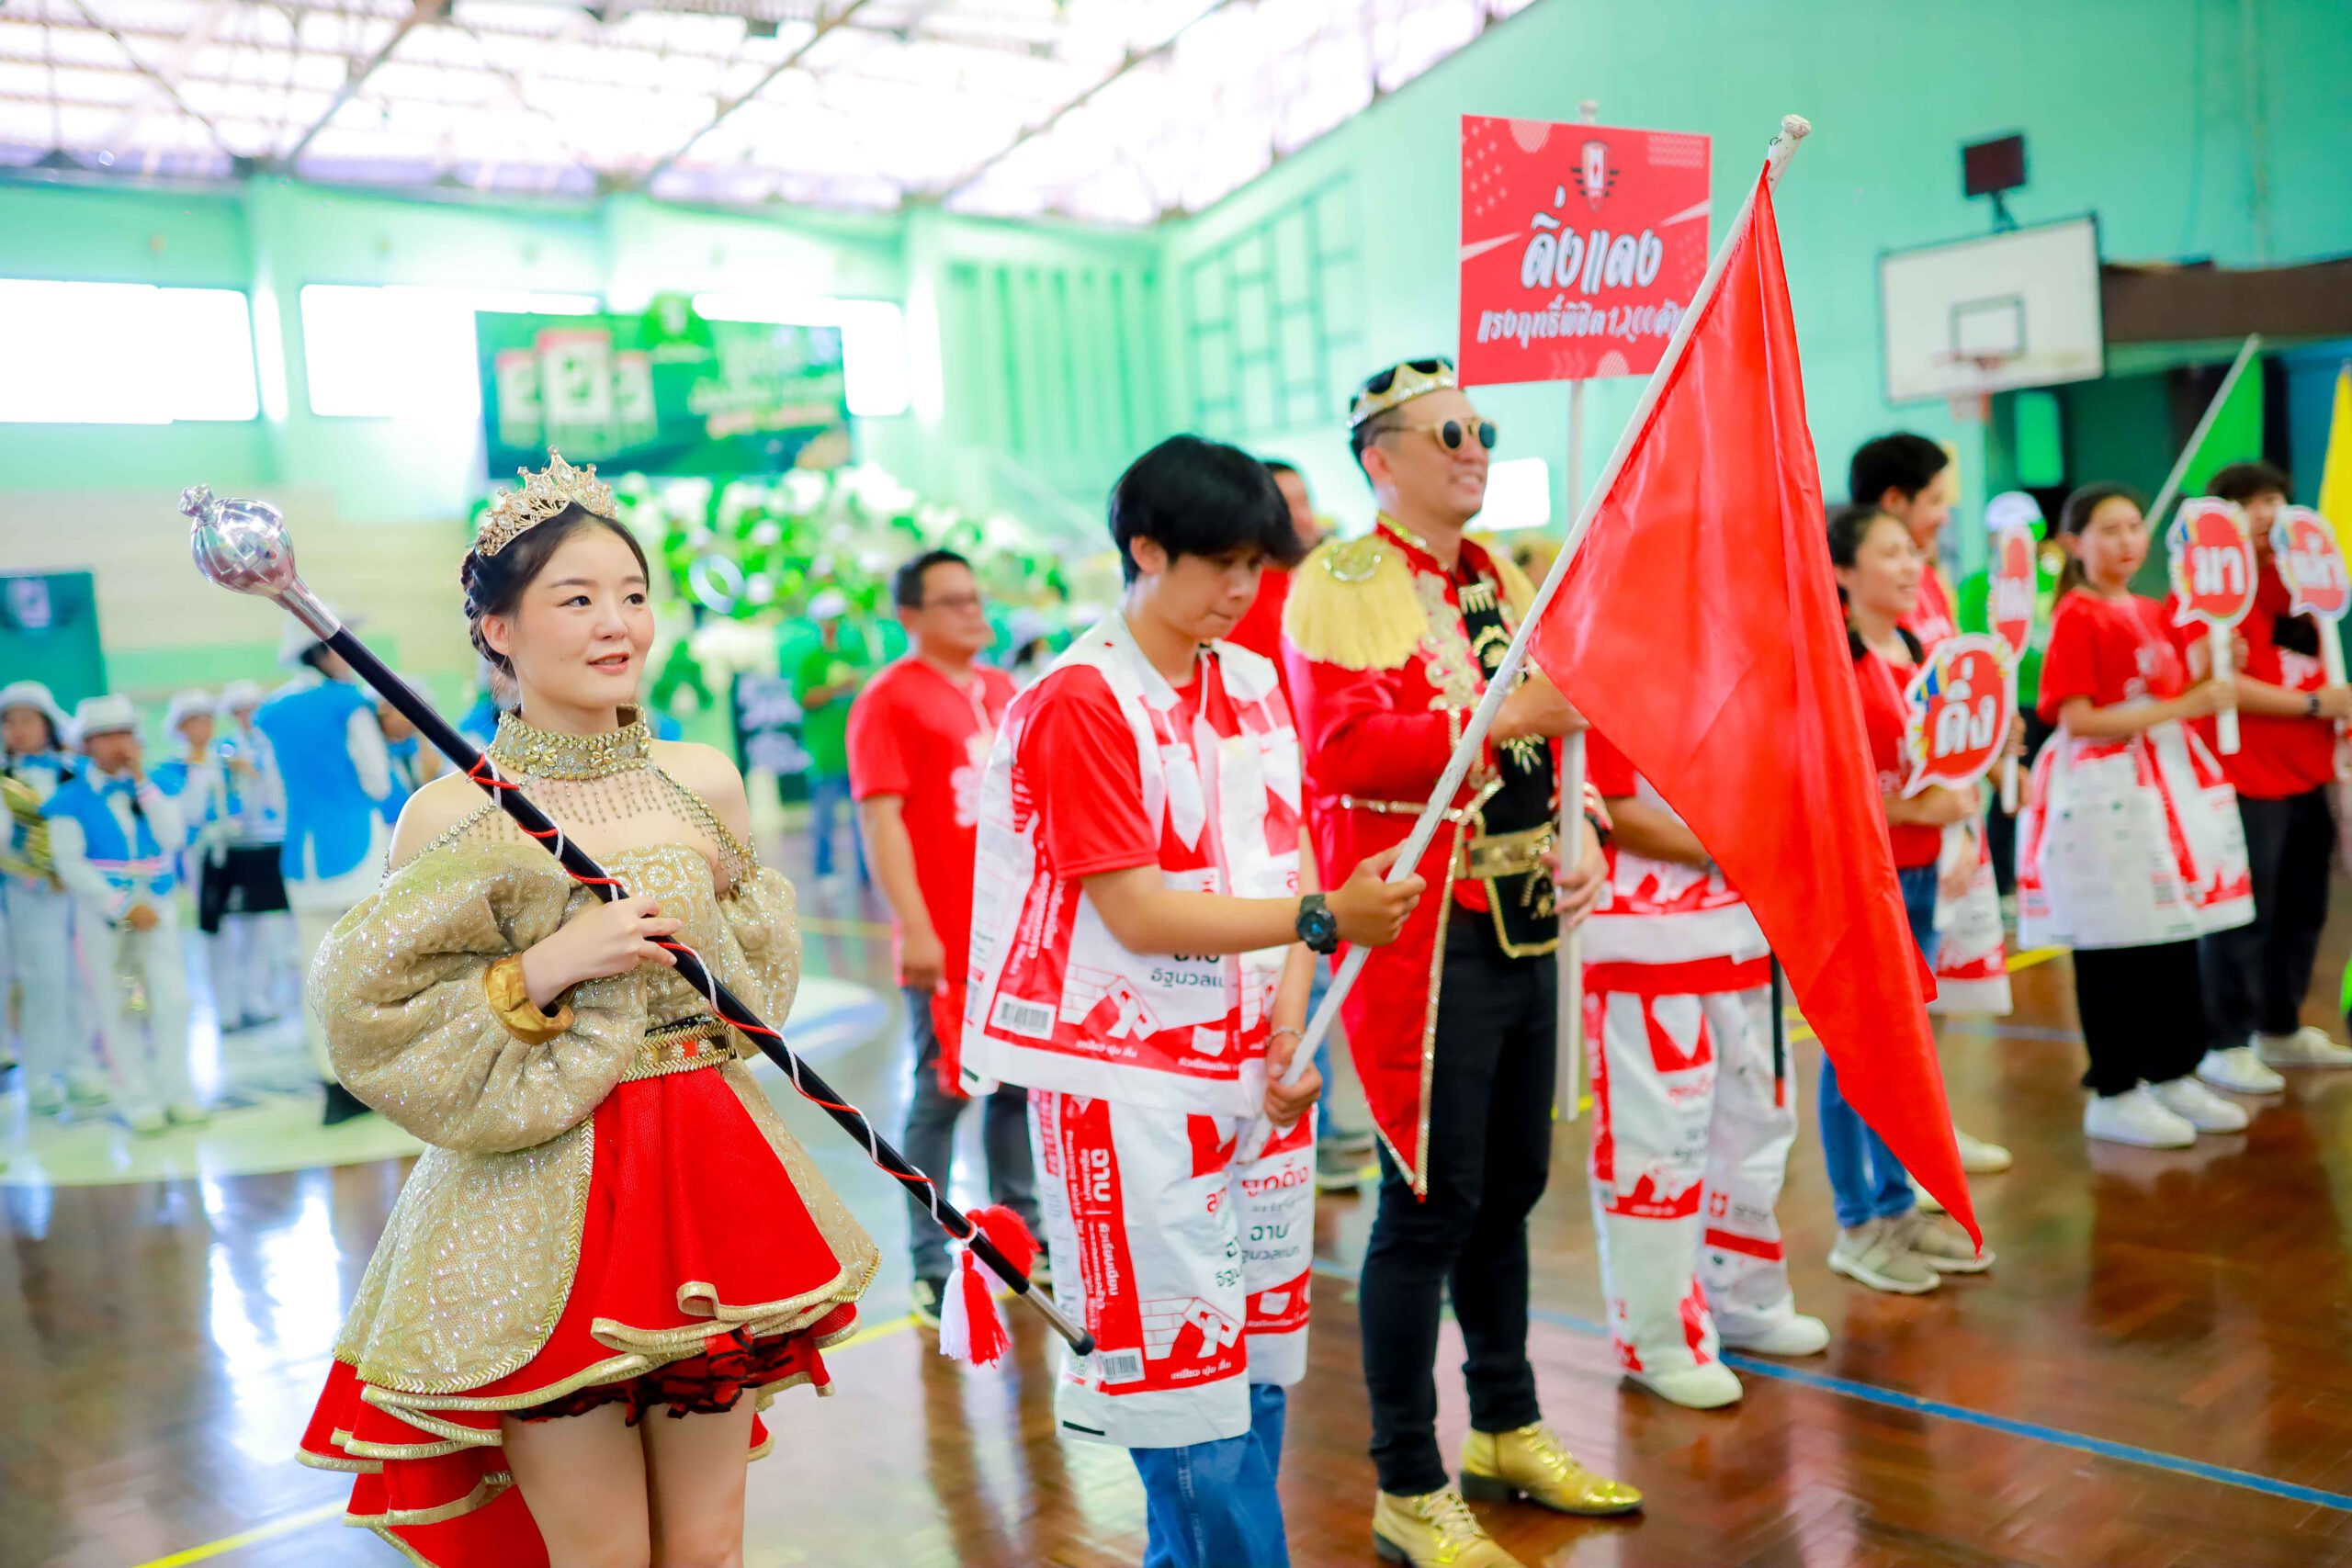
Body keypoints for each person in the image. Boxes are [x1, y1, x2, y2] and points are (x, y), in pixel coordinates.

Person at [296, 451, 878, 1568]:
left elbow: (756, 987)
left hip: (707, 1178)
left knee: (707, 1549)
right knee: (599, 1557)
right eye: (576, 599)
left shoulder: (701, 781)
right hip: (537, 1207)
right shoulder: (450, 814)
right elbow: (381, 1018)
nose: (618, 624)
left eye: (633, 594)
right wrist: (547, 967)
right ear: (499, 630)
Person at [963, 434, 1424, 1568]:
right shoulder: (1083, 699)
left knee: (1254, 1366)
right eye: (1219, 563)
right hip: (1127, 1089)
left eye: (1255, 566)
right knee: (1183, 1393)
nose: (1240, 589)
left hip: (1251, 1073)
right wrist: (1324, 921)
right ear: (1144, 550)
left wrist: (1290, 1030)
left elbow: (1287, 856)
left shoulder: (1250, 682)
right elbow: (1136, 912)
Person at [1283, 357, 1636, 1568]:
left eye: (1480, 428)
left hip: (1522, 917)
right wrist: (1501, 718)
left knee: (1510, 1189)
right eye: (1448, 434)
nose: (1475, 447)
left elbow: (1560, 738)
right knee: (1426, 1205)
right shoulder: (1342, 581)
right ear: (1379, 458)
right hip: (1425, 933)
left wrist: (1586, 828)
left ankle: (1507, 1425)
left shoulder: (1498, 573)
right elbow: (1340, 751)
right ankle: (1407, 1478)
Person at [1581, 723, 1823, 1408]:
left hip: (1745, 927)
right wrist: (1734, 848)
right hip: (1646, 938)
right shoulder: (1615, 668)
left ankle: (1744, 1297)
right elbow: (1610, 804)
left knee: (1758, 1125)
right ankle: (1659, 1340)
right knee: (1657, 1150)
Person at [2016, 482, 2255, 1147]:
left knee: (2173, 928)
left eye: (2133, 527)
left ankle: (2172, 1069)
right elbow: (2076, 716)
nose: (2126, 541)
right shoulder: (2077, 615)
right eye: (2109, 530)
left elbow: (2168, 689)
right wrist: (2186, 704)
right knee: (2111, 937)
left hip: (2161, 786)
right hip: (2104, 792)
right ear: (2075, 543)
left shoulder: (2151, 610)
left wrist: (2209, 669)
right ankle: (2116, 1088)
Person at [848, 547, 1042, 1326]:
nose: (972, 611)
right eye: (952, 601)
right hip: (945, 940)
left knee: (1016, 1087)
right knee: (940, 1096)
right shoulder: (887, 699)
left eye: (975, 597)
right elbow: (881, 820)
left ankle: (1021, 1239)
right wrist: (916, 926)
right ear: (911, 616)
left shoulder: (1001, 689)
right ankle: (930, 1261)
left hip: (1012, 939)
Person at [1822, 504, 1995, 1292]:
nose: (1908, 564)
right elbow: (1828, 787)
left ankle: (1899, 1208)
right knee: (1853, 1055)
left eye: (1910, 552)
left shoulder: (1923, 652)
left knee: (1903, 1054)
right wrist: (1914, 810)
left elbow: (1948, 764)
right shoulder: (1834, 662)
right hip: (1865, 881)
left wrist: (1960, 818)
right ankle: (1856, 1224)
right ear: (1842, 571)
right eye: (1888, 552)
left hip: (1924, 877)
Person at [1850, 433, 2012, 1179]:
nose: (1946, 516)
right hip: (1892, 840)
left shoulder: (1928, 594)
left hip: (1946, 830)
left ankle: (1927, 1132)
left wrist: (1992, 744)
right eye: (1938, 499)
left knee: (1931, 995)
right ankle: (1885, 1173)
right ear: (1895, 500)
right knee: (1882, 1021)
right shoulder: (1852, 630)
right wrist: (1918, 809)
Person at [1226, 457, 1379, 1192]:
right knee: (1301, 963)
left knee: (1325, 966)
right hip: (1271, 812)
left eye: (1305, 498)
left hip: (1329, 804)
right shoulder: (1241, 598)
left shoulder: (1325, 588)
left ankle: (1321, 1122)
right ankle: (1305, 1132)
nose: (1303, 515)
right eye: (1284, 503)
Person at [2175, 463, 2352, 1079]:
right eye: (2245, 504)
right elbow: (2222, 684)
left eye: (2272, 498)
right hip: (2244, 776)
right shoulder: (2206, 587)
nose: (2263, 513)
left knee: (2303, 909)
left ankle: (2281, 1026)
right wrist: (2315, 703)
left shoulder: (2305, 580)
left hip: (2309, 771)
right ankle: (2226, 1043)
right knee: (2242, 916)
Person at [256, 619, 396, 1124]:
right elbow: (378, 782)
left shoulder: (270, 713)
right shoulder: (348, 702)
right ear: (321, 652)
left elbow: (273, 795)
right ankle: (382, 1076)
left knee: (315, 971)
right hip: (357, 845)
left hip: (301, 858)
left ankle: (333, 1083)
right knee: (375, 963)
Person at [43, 695, 202, 1133]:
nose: (120, 744)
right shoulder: (68, 801)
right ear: (87, 745)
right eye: (107, 736)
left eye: (126, 734)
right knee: (118, 1006)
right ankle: (137, 1097)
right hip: (106, 916)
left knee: (173, 1000)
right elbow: (69, 864)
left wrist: (142, 782)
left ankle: (178, 1091)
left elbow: (172, 838)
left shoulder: (155, 786)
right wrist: (121, 906)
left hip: (159, 907)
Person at [2, 681, 108, 1113]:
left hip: (80, 889)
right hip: (29, 892)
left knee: (84, 976)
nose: (18, 729)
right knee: (43, 980)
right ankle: (42, 1075)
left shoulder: (76, 772)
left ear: (47, 723)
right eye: (9, 722)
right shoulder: (5, 780)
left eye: (27, 719)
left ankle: (82, 1065)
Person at [206, 681, 294, 1032]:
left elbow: (277, 793)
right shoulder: (222, 750)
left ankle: (260, 997)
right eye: (240, 711)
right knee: (234, 926)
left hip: (270, 841)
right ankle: (233, 1003)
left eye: (252, 709)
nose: (248, 717)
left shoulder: (273, 748)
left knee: (266, 926)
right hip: (236, 845)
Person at [792, 589, 873, 888]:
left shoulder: (853, 657)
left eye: (838, 619)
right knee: (824, 816)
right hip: (826, 753)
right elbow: (806, 698)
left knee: (862, 818)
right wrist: (837, 689)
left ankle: (867, 873)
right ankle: (824, 870)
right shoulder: (810, 662)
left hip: (856, 753)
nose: (833, 626)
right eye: (828, 620)